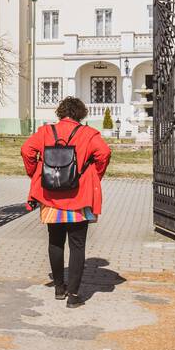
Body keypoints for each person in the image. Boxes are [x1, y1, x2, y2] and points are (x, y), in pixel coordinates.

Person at [20, 96, 111, 308]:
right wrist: (94, 173)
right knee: (77, 245)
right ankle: (74, 295)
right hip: (79, 197)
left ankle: (59, 288)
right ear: (81, 114)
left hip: (51, 196)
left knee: (55, 241)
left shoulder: (45, 131)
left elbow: (26, 150)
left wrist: (35, 171)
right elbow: (104, 153)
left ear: (60, 112)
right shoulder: (88, 134)